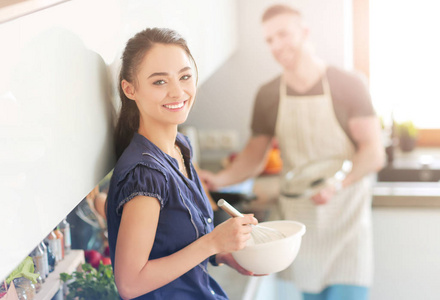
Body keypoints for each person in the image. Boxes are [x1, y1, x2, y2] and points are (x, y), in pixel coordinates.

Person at [199, 4, 385, 300]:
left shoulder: (348, 84)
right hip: (297, 230)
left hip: (346, 225)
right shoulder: (269, 94)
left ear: (305, 32)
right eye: (269, 40)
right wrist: (219, 179)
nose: (276, 46)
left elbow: (373, 153)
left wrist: (337, 184)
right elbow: (254, 155)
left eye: (283, 35)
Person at [105, 27, 258, 300]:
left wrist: (221, 253)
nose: (178, 92)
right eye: (159, 82)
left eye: (185, 77)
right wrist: (212, 242)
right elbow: (130, 283)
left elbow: (174, 244)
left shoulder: (180, 148)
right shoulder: (145, 175)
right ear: (129, 89)